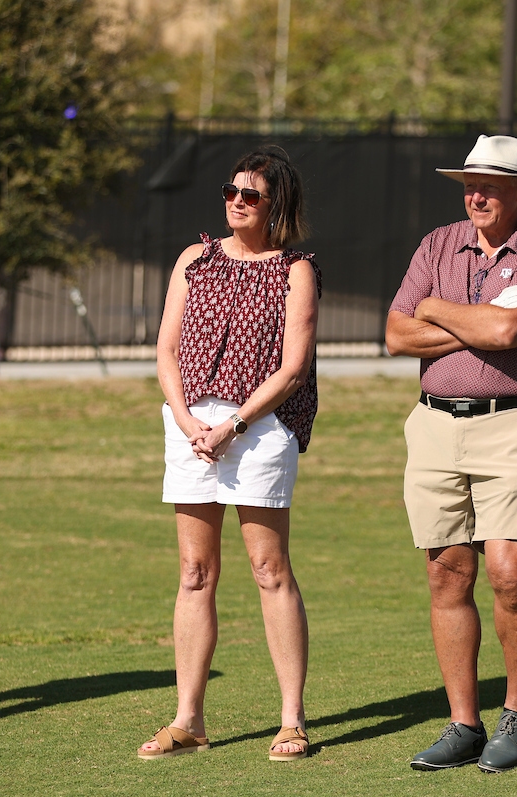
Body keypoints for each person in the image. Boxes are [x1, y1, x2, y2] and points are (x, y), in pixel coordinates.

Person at [385, 135, 517, 772]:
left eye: (491, 185)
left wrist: (435, 310)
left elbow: (508, 331)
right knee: (446, 573)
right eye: (470, 184)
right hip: (434, 424)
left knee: (510, 572)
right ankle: (463, 724)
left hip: (510, 422)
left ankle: (516, 714)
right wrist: (471, 320)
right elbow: (394, 334)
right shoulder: (437, 243)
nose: (477, 195)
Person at [137, 145, 320, 762]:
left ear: (277, 206)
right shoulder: (195, 258)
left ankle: (292, 720)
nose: (236, 202)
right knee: (194, 573)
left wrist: (233, 425)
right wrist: (189, 420)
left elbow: (293, 369)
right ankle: (189, 719)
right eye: (230, 191)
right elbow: (165, 350)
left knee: (270, 571)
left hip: (260, 426)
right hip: (192, 424)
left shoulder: (296, 269)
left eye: (251, 195)